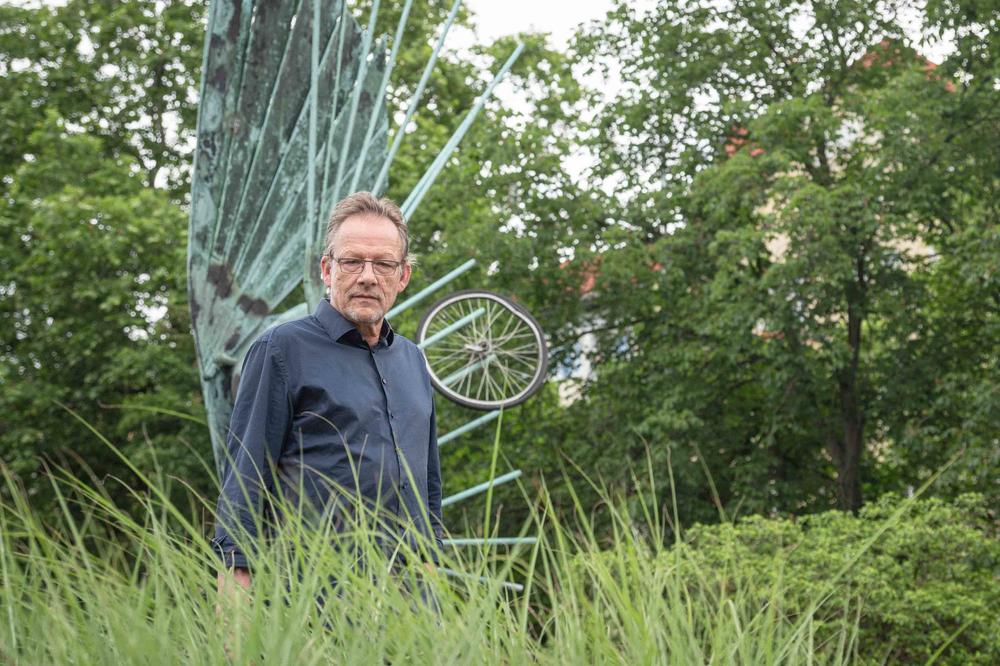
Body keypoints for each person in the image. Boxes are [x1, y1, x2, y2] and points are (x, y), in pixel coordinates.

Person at [212, 192, 443, 593]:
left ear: (403, 276)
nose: (368, 276)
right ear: (327, 269)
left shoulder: (412, 361)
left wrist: (433, 588)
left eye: (383, 264)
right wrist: (233, 602)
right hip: (312, 598)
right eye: (352, 261)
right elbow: (245, 480)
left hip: (409, 604)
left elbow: (428, 488)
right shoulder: (282, 350)